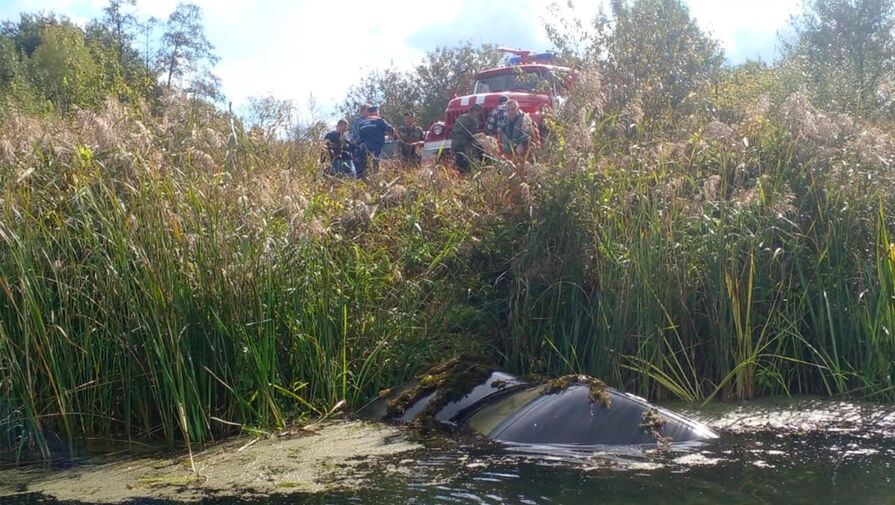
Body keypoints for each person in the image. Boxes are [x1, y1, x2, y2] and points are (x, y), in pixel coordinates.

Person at [356, 105, 395, 176]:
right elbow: (390, 129)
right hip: (376, 146)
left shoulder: (361, 123)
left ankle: (361, 180)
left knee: (363, 166)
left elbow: (359, 137)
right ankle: (375, 179)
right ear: (376, 113)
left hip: (363, 146)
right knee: (375, 164)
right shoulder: (379, 120)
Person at [450, 104, 484, 173]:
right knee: (473, 163)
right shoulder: (474, 120)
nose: (479, 114)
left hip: (454, 144)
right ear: (475, 111)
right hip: (465, 145)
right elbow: (472, 135)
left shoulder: (461, 117)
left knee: (459, 165)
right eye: (479, 112)